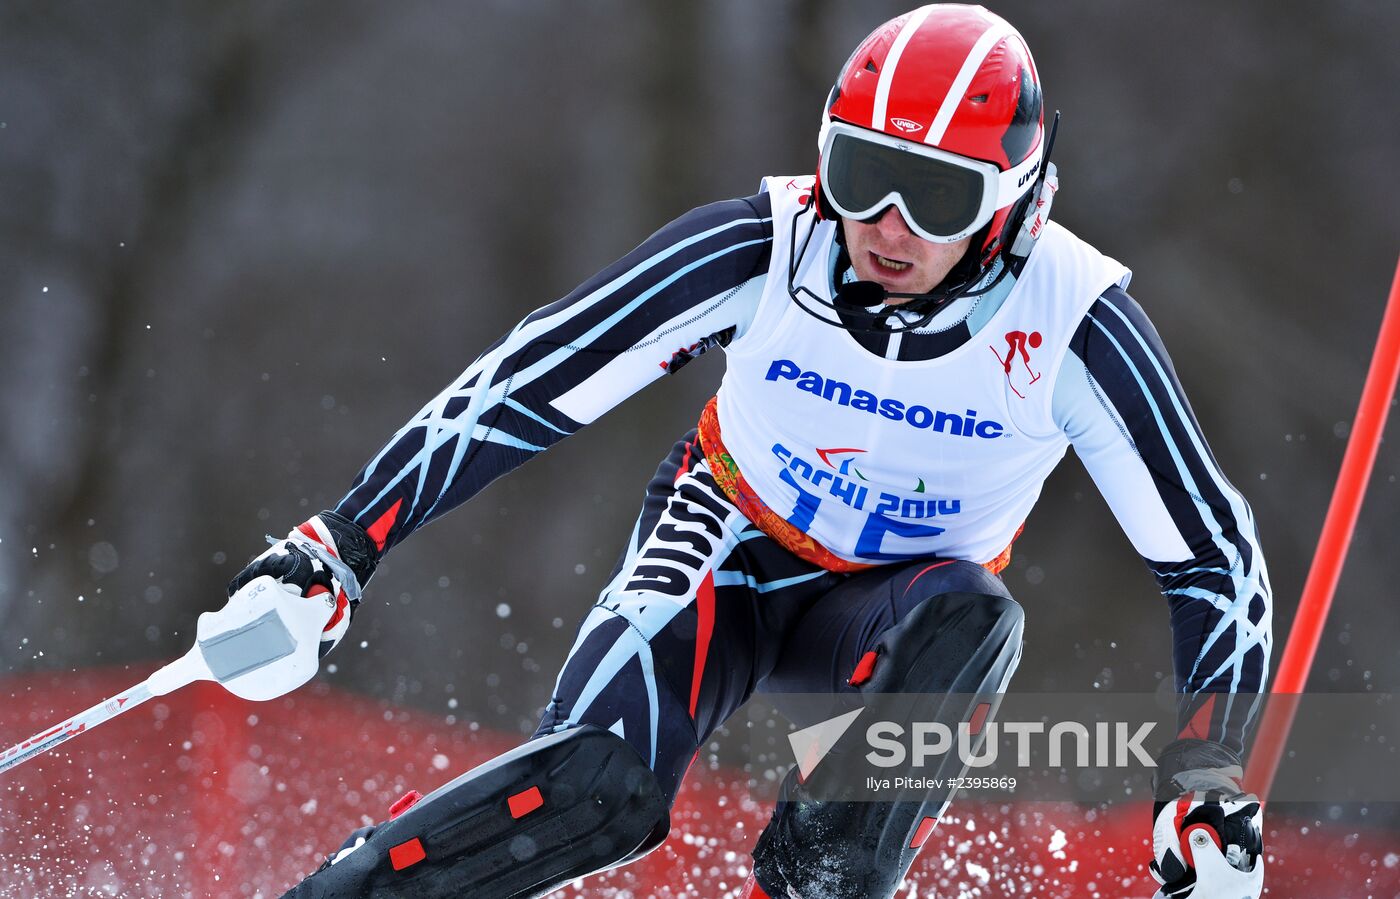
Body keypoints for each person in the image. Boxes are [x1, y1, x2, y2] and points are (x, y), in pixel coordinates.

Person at [230, 5, 1270, 897]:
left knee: (968, 620)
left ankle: (819, 878)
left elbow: (1211, 559)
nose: (885, 224)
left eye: (936, 196)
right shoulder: (765, 245)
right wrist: (338, 546)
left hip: (892, 614)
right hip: (726, 539)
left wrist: (1204, 780)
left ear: (1011, 205)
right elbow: (530, 377)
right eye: (862, 172)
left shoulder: (1074, 323)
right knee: (595, 789)